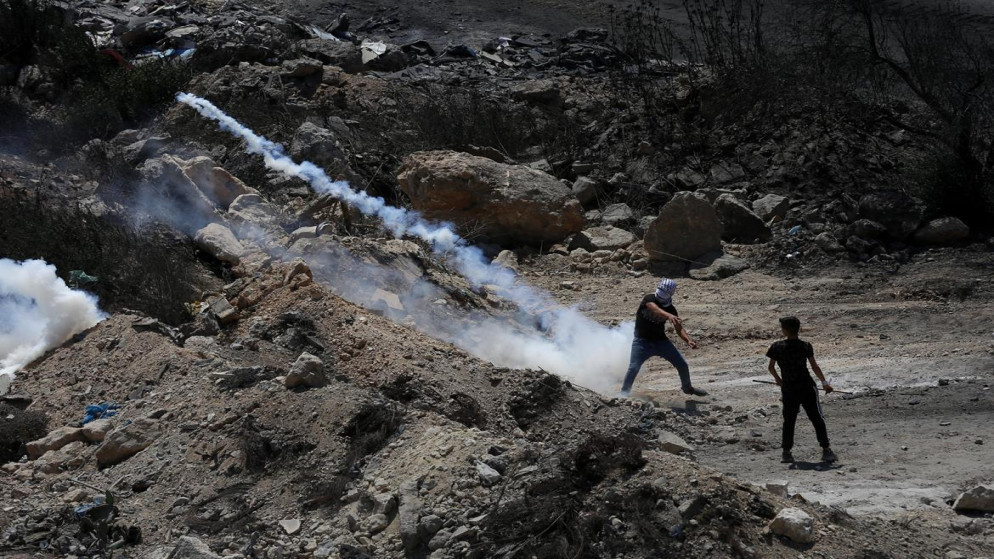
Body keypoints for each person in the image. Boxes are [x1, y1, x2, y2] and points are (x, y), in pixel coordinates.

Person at [766, 316, 837, 464]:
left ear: (785, 330)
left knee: (789, 420)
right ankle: (826, 450)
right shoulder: (805, 346)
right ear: (798, 329)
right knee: (816, 417)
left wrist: (779, 380)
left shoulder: (776, 346)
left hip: (789, 388)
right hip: (806, 386)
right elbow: (814, 366)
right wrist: (824, 383)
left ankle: (786, 452)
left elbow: (771, 367)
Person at [619, 278, 708, 397]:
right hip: (641, 342)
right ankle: (623, 395)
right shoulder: (649, 299)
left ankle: (687, 388)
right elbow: (653, 307)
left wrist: (688, 340)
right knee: (633, 368)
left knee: (682, 365)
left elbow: (679, 328)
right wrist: (668, 315)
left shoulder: (671, 309)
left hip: (661, 342)